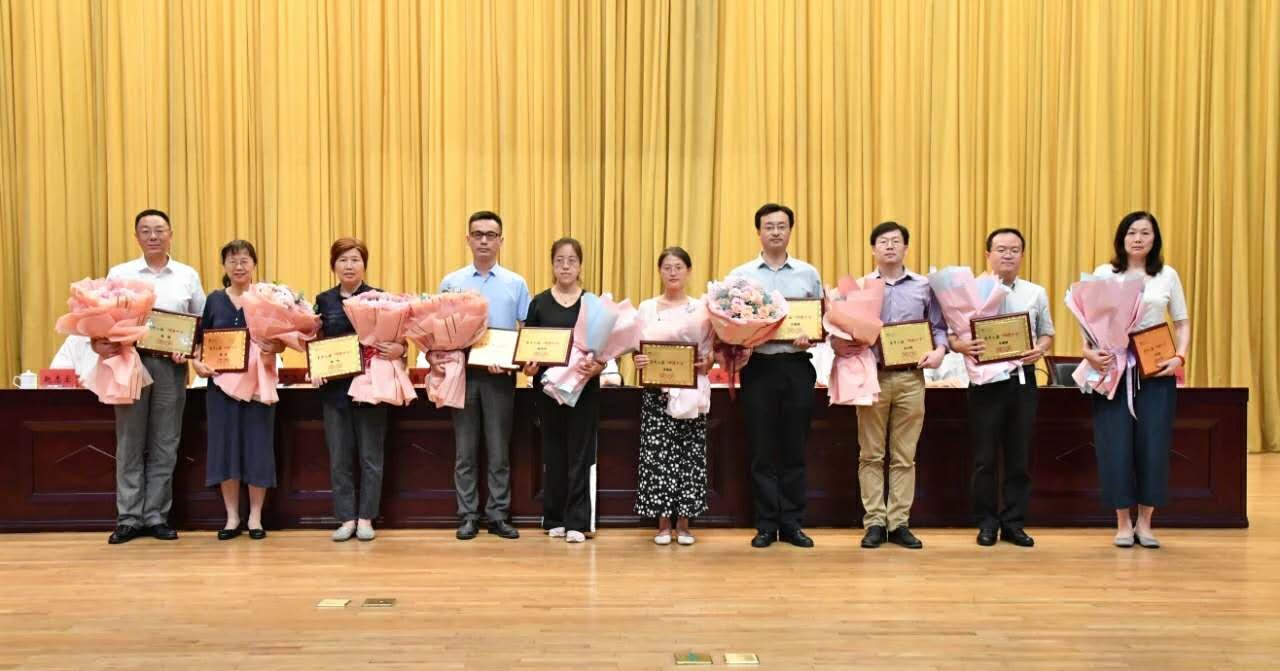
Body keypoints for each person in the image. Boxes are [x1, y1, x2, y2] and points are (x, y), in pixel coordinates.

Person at [835, 221, 946, 550]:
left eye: (896, 241)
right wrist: (839, 342)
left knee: (904, 456)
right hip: (872, 376)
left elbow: (939, 327)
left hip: (912, 378)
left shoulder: (924, 286)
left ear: (906, 248)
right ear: (873, 249)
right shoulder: (860, 288)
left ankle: (899, 523)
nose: (889, 246)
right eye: (883, 241)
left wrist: (939, 351)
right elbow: (840, 331)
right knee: (870, 454)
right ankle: (874, 522)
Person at [97, 209, 205, 545]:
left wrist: (188, 349)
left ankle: (156, 516)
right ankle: (129, 518)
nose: (153, 236)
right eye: (145, 230)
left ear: (171, 234)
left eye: (159, 229)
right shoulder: (121, 273)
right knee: (130, 441)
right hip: (129, 362)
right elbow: (103, 319)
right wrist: (100, 341)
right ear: (136, 236)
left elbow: (200, 323)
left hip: (171, 367)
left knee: (165, 442)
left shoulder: (187, 275)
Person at [1082, 211, 1189, 548]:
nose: (1138, 238)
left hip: (1155, 369)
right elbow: (1088, 321)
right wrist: (1088, 352)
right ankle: (1123, 523)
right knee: (1114, 445)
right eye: (1131, 232)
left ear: (1155, 239)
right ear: (1121, 237)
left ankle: (1145, 522)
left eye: (1145, 232)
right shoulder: (1105, 273)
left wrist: (1180, 356)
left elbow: (1182, 321)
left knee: (1154, 445)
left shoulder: (1167, 275)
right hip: (1113, 370)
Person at [949, 228, 1054, 548]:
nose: (1007, 255)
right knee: (984, 458)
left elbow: (1047, 333)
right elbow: (951, 336)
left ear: (1022, 255)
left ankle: (1014, 523)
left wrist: (1040, 349)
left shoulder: (1036, 292)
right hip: (985, 383)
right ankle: (986, 522)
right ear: (988, 255)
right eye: (1001, 249)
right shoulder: (970, 293)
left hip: (1022, 380)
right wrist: (962, 346)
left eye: (1014, 249)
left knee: (1019, 456)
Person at [729, 204, 824, 549]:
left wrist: (812, 334)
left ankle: (792, 523)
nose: (775, 232)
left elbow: (821, 319)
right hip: (759, 368)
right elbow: (729, 324)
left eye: (781, 226)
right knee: (763, 448)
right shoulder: (740, 276)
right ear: (758, 231)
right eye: (769, 226)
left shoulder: (808, 273)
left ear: (790, 230)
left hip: (797, 366)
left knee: (794, 447)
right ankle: (766, 524)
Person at [440, 211, 530, 541]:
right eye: (477, 234)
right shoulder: (451, 283)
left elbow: (525, 332)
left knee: (498, 451)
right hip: (461, 375)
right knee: (465, 451)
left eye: (491, 235)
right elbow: (440, 330)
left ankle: (497, 514)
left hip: (499, 377)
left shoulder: (516, 283)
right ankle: (468, 515)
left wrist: (513, 361)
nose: (484, 241)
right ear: (467, 239)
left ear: (501, 241)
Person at [313, 237, 404, 542]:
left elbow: (399, 339)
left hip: (371, 387)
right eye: (343, 260)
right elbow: (315, 339)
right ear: (333, 265)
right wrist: (316, 367)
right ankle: (346, 518)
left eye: (355, 259)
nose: (349, 266)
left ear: (364, 264)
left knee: (370, 457)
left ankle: (366, 517)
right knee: (339, 457)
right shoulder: (324, 300)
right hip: (335, 391)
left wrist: (400, 349)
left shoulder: (380, 298)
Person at [191, 240, 283, 541]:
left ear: (254, 264)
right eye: (232, 261)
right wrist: (197, 363)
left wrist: (274, 346)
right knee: (224, 449)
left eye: (244, 260)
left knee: (258, 447)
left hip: (258, 385)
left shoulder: (267, 298)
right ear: (224, 266)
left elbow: (282, 341)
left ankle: (255, 517)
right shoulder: (214, 300)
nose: (239, 266)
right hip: (221, 386)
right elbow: (200, 341)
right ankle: (232, 517)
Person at [521, 238, 606, 544]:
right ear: (552, 265)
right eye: (560, 260)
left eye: (572, 260)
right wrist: (528, 367)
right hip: (549, 391)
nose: (566, 266)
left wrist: (599, 365)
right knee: (553, 453)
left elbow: (605, 349)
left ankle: (577, 522)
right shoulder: (539, 303)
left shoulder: (593, 304)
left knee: (580, 454)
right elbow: (528, 349)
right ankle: (554, 517)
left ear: (580, 265)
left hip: (584, 390)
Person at [632, 247, 715, 546]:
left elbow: (709, 352)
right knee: (658, 456)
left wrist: (707, 362)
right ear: (659, 271)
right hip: (657, 392)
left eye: (678, 266)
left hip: (691, 390)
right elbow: (636, 348)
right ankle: (663, 524)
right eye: (667, 267)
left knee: (689, 455)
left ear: (689, 271)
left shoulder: (703, 309)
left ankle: (685, 524)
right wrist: (638, 360)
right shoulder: (646, 308)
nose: (673, 272)